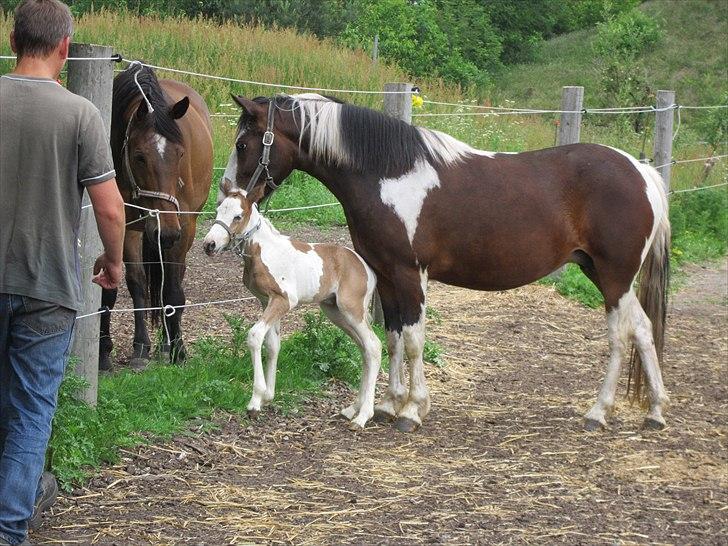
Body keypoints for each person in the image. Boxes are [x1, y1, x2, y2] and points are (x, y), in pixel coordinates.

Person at [0, 1, 125, 544]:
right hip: (48, 286)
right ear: (65, 49)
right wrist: (114, 261)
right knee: (30, 413)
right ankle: (9, 528)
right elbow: (110, 208)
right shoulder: (80, 114)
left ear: (12, 40)